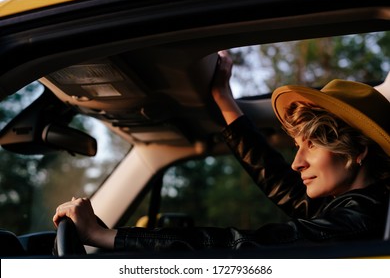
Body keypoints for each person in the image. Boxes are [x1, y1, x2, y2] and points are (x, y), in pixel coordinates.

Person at [53, 51, 390, 252]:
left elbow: (240, 246)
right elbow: (277, 180)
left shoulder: (360, 220)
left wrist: (105, 235)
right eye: (298, 145)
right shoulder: (351, 209)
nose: (297, 162)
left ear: (357, 151)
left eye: (312, 145)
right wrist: (223, 100)